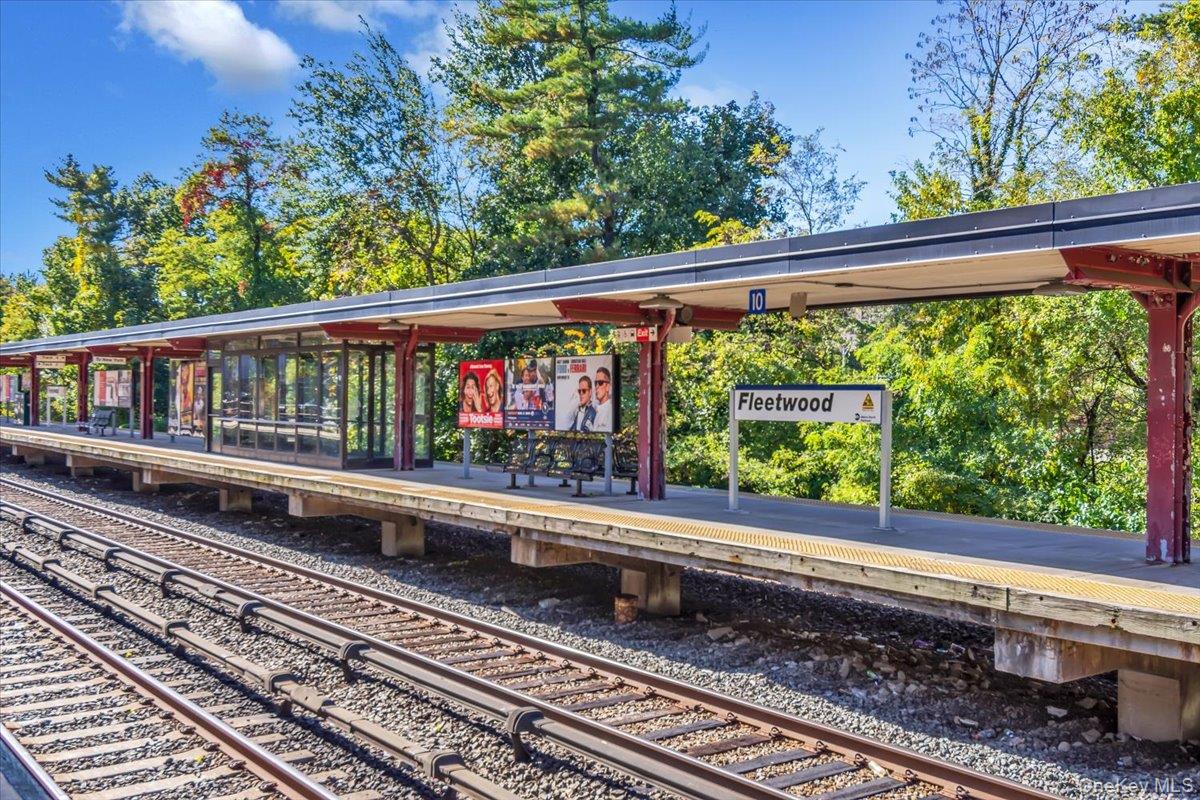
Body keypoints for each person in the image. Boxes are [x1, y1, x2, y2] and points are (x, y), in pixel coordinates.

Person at [592, 366, 613, 432]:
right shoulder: (596, 410)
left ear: (608, 386)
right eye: (595, 383)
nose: (597, 386)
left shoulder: (611, 410)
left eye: (600, 383)